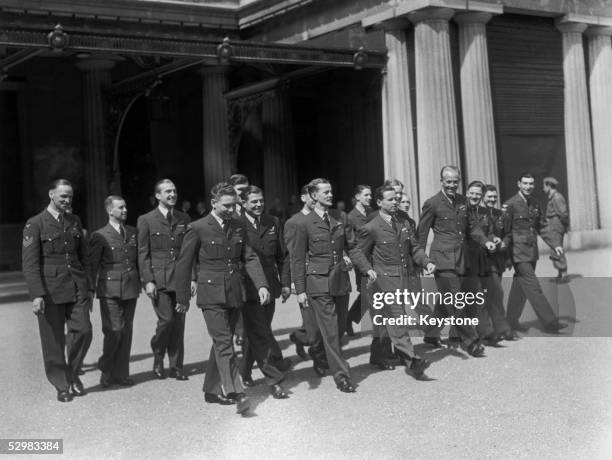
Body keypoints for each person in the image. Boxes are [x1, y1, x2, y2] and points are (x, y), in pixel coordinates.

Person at [174, 182, 270, 414]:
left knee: (221, 342)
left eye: (234, 205)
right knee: (225, 342)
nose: (231, 210)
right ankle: (236, 391)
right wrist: (182, 297)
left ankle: (211, 389)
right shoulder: (197, 227)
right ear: (213, 203)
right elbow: (184, 264)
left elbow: (249, 258)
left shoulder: (238, 225)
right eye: (226, 206)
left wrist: (261, 285)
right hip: (210, 294)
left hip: (235, 292)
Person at [351, 185, 436, 377]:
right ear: (380, 202)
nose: (395, 202)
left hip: (404, 277)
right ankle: (412, 360)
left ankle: (382, 356)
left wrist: (426, 262)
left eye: (396, 198)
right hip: (384, 280)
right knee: (397, 317)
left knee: (388, 322)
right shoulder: (371, 226)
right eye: (390, 199)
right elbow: (357, 251)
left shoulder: (403, 223)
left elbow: (414, 248)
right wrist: (368, 270)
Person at [21, 179, 93, 402]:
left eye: (70, 196)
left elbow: (83, 257)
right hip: (50, 290)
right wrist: (37, 295)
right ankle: (61, 385)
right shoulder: (35, 224)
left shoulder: (74, 221)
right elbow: (30, 264)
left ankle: (72, 374)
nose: (67, 200)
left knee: (83, 330)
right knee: (53, 342)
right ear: (51, 194)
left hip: (76, 285)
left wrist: (89, 286)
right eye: (63, 196)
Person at [417, 166, 493, 357]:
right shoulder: (432, 203)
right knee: (456, 300)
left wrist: (485, 241)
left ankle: (431, 334)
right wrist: (421, 260)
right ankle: (471, 341)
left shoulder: (463, 201)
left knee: (446, 300)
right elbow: (422, 234)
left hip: (461, 259)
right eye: (448, 181)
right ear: (441, 181)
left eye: (455, 181)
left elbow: (472, 226)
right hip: (442, 260)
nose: (452, 185)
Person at [291, 178, 357, 393]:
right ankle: (342, 376)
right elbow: (298, 259)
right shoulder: (302, 223)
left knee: (337, 331)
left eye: (331, 191)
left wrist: (361, 265)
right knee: (329, 331)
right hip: (317, 283)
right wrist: (300, 290)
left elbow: (351, 246)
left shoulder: (340, 217)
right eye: (325, 192)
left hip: (340, 281)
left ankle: (320, 355)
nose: (330, 195)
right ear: (313, 195)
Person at [137, 179, 194, 381]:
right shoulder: (146, 220)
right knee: (167, 320)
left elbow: (190, 251)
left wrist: (193, 278)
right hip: (159, 279)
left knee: (179, 323)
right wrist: (147, 281)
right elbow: (143, 253)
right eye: (167, 191)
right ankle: (158, 353)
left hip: (181, 279)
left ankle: (176, 366)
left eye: (174, 191)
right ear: (158, 196)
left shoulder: (184, 218)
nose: (172, 195)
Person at [238, 185, 290, 398]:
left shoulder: (273, 222)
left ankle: (244, 370)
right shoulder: (235, 225)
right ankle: (273, 379)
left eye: (261, 201)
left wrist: (285, 283)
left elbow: (282, 256)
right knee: (260, 332)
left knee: (261, 329)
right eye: (253, 202)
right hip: (247, 287)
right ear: (243, 203)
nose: (259, 205)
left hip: (270, 285)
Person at [504, 172, 568, 333]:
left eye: (531, 184)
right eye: (525, 183)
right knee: (533, 287)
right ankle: (550, 322)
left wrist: (555, 244)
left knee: (520, 287)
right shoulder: (510, 205)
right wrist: (505, 257)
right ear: (519, 184)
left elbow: (542, 226)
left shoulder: (535, 203)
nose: (528, 187)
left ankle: (510, 321)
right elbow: (504, 232)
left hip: (531, 253)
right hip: (518, 254)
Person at [88, 196, 140, 388]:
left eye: (125, 206)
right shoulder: (99, 235)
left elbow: (138, 260)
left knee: (126, 331)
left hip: (131, 286)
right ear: (110, 211)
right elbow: (93, 265)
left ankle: (121, 374)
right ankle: (106, 367)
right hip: (109, 288)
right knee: (114, 330)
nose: (125, 209)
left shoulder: (133, 232)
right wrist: (89, 290)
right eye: (121, 207)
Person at [283, 185, 321, 363]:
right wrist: (292, 282)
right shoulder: (294, 222)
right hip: (304, 277)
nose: (315, 200)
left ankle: (301, 338)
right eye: (311, 196)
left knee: (318, 323)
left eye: (317, 196)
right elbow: (291, 255)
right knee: (312, 325)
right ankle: (314, 351)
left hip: (323, 277)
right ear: (303, 197)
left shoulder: (323, 218)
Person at [481, 185, 516, 341]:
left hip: (498, 259)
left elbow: (508, 233)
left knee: (493, 294)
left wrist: (505, 243)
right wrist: (490, 240)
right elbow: (479, 234)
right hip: (485, 260)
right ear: (483, 197)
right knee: (496, 292)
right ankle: (502, 328)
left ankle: (491, 329)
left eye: (494, 197)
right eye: (489, 196)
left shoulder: (501, 215)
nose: (492, 199)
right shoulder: (478, 214)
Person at [346, 185, 374, 335]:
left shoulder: (372, 213)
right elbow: (350, 243)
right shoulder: (351, 217)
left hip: (375, 257)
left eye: (370, 195)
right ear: (357, 197)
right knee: (368, 292)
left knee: (369, 292)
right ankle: (348, 318)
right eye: (366, 195)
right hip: (361, 260)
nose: (370, 197)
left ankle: (348, 319)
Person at [543, 177, 569, 282]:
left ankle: (564, 274)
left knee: (557, 249)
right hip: (553, 225)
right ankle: (560, 273)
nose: (543, 189)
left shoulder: (557, 197)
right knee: (555, 249)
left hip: (556, 225)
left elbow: (563, 214)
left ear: (549, 186)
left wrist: (563, 226)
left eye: (544, 186)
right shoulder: (553, 197)